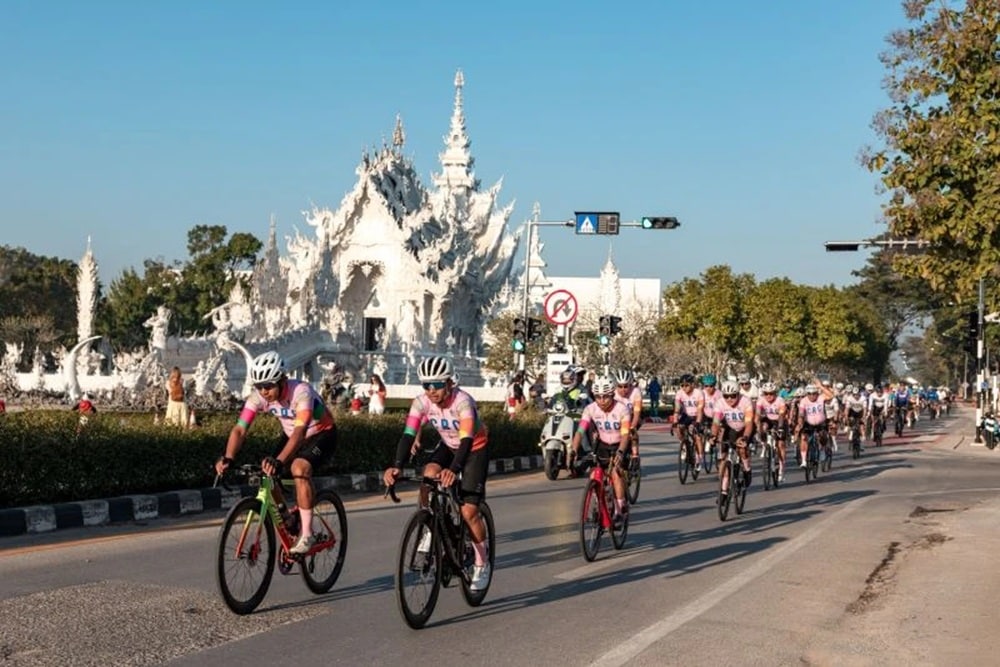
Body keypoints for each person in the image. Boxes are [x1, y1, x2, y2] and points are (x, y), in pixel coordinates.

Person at [382, 356, 492, 591]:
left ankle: (482, 563)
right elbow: (409, 434)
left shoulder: (463, 402)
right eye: (426, 386)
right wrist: (397, 466)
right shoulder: (421, 402)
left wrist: (453, 470)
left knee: (469, 511)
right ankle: (431, 522)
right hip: (448, 446)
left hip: (473, 449)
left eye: (438, 385)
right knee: (428, 474)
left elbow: (466, 442)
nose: (431, 391)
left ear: (450, 383)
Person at [215, 351, 337, 555]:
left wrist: (280, 461)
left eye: (269, 385)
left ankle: (307, 534)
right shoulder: (258, 398)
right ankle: (288, 519)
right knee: (266, 473)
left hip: (321, 434)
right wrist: (228, 457)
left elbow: (300, 432)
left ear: (282, 380)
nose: (264, 391)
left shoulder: (301, 392)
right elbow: (240, 429)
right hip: (292, 435)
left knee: (299, 468)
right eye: (259, 386)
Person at [570, 376, 632, 525]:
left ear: (612, 395)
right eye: (598, 397)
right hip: (603, 444)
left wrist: (621, 452)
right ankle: (599, 502)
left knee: (615, 473)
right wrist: (573, 450)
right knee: (594, 474)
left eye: (606, 397)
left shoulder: (622, 409)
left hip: (620, 444)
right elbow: (580, 431)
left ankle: (620, 508)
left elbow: (625, 435)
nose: (602, 401)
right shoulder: (590, 409)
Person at [711, 380, 754, 497]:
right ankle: (724, 491)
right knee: (723, 457)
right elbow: (715, 423)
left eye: (733, 396)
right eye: (726, 396)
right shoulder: (720, 403)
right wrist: (713, 436)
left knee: (742, 449)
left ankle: (747, 469)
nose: (729, 399)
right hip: (730, 428)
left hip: (744, 428)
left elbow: (749, 423)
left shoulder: (746, 401)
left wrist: (745, 437)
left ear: (738, 394)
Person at [756, 381, 788, 482]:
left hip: (779, 420)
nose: (769, 396)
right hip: (767, 420)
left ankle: (782, 468)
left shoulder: (780, 401)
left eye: (771, 393)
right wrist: (757, 427)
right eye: (766, 393)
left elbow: (782, 415)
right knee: (763, 427)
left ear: (775, 393)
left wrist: (781, 427)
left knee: (781, 444)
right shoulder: (760, 401)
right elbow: (757, 415)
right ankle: (765, 445)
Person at [673, 373, 705, 466]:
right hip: (686, 415)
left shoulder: (699, 393)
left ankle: (700, 457)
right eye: (682, 385)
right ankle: (684, 446)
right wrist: (675, 421)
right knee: (678, 427)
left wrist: (698, 423)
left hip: (697, 415)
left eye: (686, 385)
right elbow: (677, 408)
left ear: (692, 384)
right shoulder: (679, 393)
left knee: (697, 436)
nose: (684, 387)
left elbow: (700, 409)